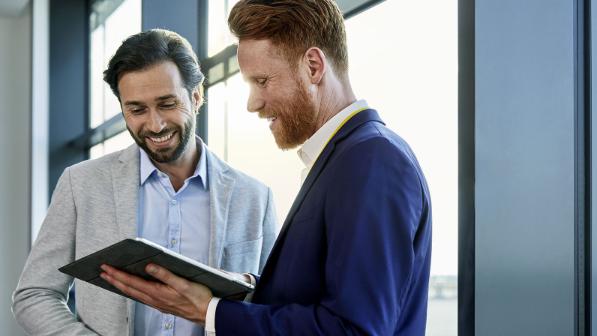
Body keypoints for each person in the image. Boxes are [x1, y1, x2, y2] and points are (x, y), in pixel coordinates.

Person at [99, 1, 432, 335]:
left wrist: (210, 311)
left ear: (313, 67)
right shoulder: (347, 158)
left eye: (261, 81)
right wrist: (246, 287)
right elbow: (325, 297)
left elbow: (354, 330)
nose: (252, 103)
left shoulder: (370, 161)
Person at [12, 29, 277, 336]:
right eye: (137, 110)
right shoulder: (81, 184)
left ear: (196, 96)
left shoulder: (255, 197)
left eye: (167, 104)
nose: (155, 124)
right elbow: (34, 294)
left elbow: (272, 303)